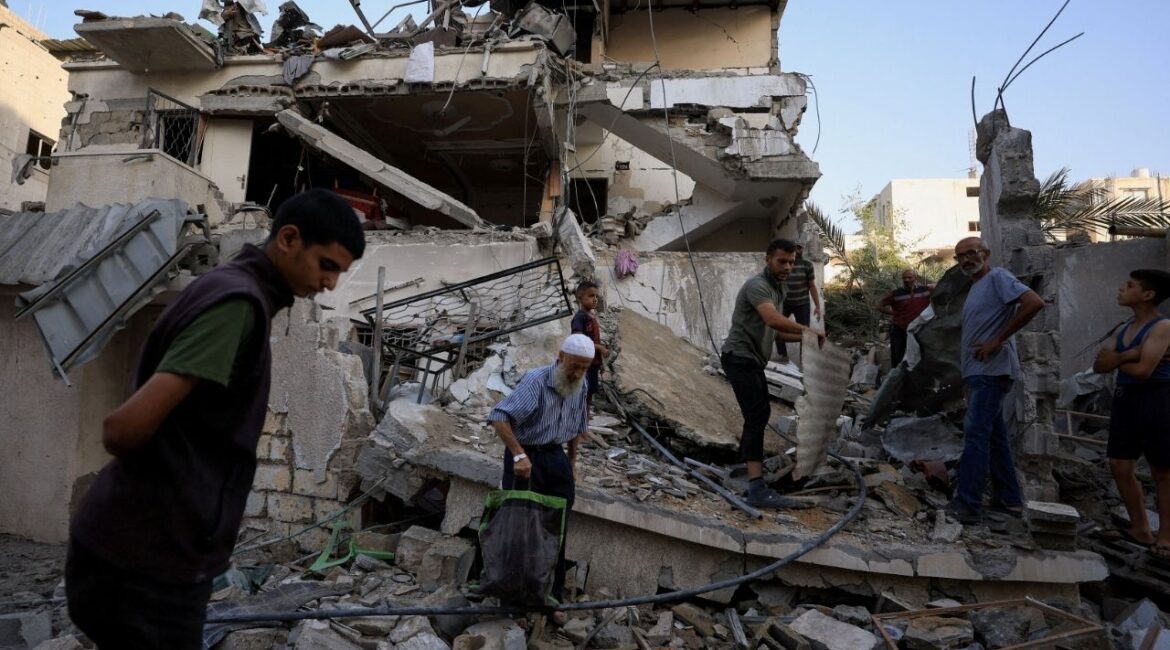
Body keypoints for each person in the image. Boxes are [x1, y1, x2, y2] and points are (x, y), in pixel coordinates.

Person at [65, 189, 365, 649]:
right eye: (327, 266)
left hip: (145, 555)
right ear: (288, 238)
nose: (330, 285)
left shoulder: (235, 289)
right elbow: (122, 429)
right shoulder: (237, 306)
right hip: (144, 565)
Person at [489, 334, 593, 609]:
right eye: (574, 366)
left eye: (584, 368)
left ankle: (550, 595)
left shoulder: (581, 385)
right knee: (520, 527)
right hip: (526, 456)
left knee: (556, 527)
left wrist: (571, 463)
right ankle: (511, 596)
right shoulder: (536, 380)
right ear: (560, 357)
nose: (578, 373)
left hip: (555, 457)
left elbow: (575, 426)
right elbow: (499, 417)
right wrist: (519, 455)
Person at [945, 237, 1044, 525]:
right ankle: (1009, 499)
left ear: (985, 253)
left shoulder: (998, 277)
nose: (965, 259)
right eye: (959, 256)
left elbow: (1034, 302)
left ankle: (967, 504)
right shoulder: (976, 287)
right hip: (979, 374)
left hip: (991, 372)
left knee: (975, 435)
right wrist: (967, 377)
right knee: (996, 438)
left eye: (971, 253)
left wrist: (998, 340)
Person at [722, 238, 826, 508]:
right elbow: (771, 319)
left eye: (791, 262)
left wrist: (806, 340)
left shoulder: (777, 289)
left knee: (757, 414)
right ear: (768, 259)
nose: (788, 267)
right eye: (782, 261)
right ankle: (756, 488)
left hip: (752, 359)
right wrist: (808, 330)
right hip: (739, 357)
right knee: (757, 415)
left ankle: (746, 470)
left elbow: (774, 331)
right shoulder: (758, 286)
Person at [1092, 270, 1170, 556]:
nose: (1121, 289)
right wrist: (1131, 354)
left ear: (1148, 295)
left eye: (1130, 286)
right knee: (1119, 465)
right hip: (1127, 399)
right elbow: (1099, 365)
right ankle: (1140, 528)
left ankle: (1166, 537)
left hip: (1158, 398)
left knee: (1162, 470)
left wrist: (1121, 357)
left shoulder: (1163, 327)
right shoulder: (1124, 329)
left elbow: (1144, 370)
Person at [876, 269, 934, 366]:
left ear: (915, 278)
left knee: (922, 354)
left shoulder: (925, 290)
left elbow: (941, 293)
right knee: (897, 355)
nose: (906, 280)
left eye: (909, 277)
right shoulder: (896, 293)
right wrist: (894, 313)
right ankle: (897, 377)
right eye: (904, 278)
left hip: (919, 329)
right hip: (900, 328)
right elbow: (879, 306)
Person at [778, 243, 821, 363]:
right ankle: (783, 358)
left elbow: (812, 286)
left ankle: (805, 362)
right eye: (795, 247)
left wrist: (817, 306)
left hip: (802, 304)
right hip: (785, 303)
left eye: (800, 247)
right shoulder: (784, 266)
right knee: (777, 330)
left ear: (802, 249)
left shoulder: (807, 265)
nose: (797, 250)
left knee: (805, 334)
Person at [570, 280, 609, 408]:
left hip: (593, 363)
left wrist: (600, 362)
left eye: (596, 296)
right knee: (582, 393)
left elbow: (593, 340)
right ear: (580, 297)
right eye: (591, 296)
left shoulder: (592, 317)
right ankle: (580, 421)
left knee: (590, 392)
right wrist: (600, 348)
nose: (595, 299)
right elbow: (578, 338)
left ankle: (585, 421)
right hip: (583, 363)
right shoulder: (580, 317)